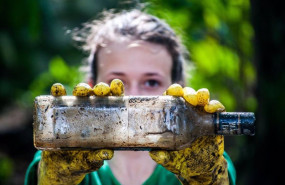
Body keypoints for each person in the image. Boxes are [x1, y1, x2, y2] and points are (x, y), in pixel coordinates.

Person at [25, 9, 236, 185]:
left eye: (151, 82)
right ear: (90, 88)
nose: (133, 96)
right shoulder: (64, 153)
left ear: (180, 92)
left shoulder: (204, 159)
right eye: (117, 82)